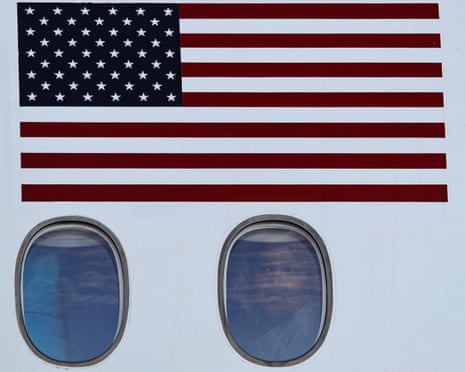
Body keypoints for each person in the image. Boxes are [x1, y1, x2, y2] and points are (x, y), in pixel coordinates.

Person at [226, 228, 323, 362]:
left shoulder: (311, 330)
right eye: (265, 269)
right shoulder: (237, 326)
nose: (276, 281)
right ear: (250, 276)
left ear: (309, 278)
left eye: (289, 270)